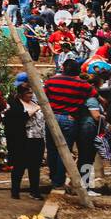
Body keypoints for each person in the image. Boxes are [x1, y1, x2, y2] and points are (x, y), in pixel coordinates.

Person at [43, 58, 96, 189]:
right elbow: (94, 94)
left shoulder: (52, 81)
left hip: (52, 117)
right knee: (64, 151)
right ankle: (59, 181)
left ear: (63, 67)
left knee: (52, 149)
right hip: (69, 118)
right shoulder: (83, 85)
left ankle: (54, 177)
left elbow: (43, 97)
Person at [4, 81, 45, 200]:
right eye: (28, 93)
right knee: (19, 166)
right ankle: (15, 191)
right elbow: (19, 119)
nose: (31, 95)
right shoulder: (15, 105)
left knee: (35, 167)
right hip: (23, 140)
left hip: (38, 138)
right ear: (21, 94)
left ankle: (35, 191)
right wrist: (35, 110)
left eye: (32, 93)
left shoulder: (34, 103)